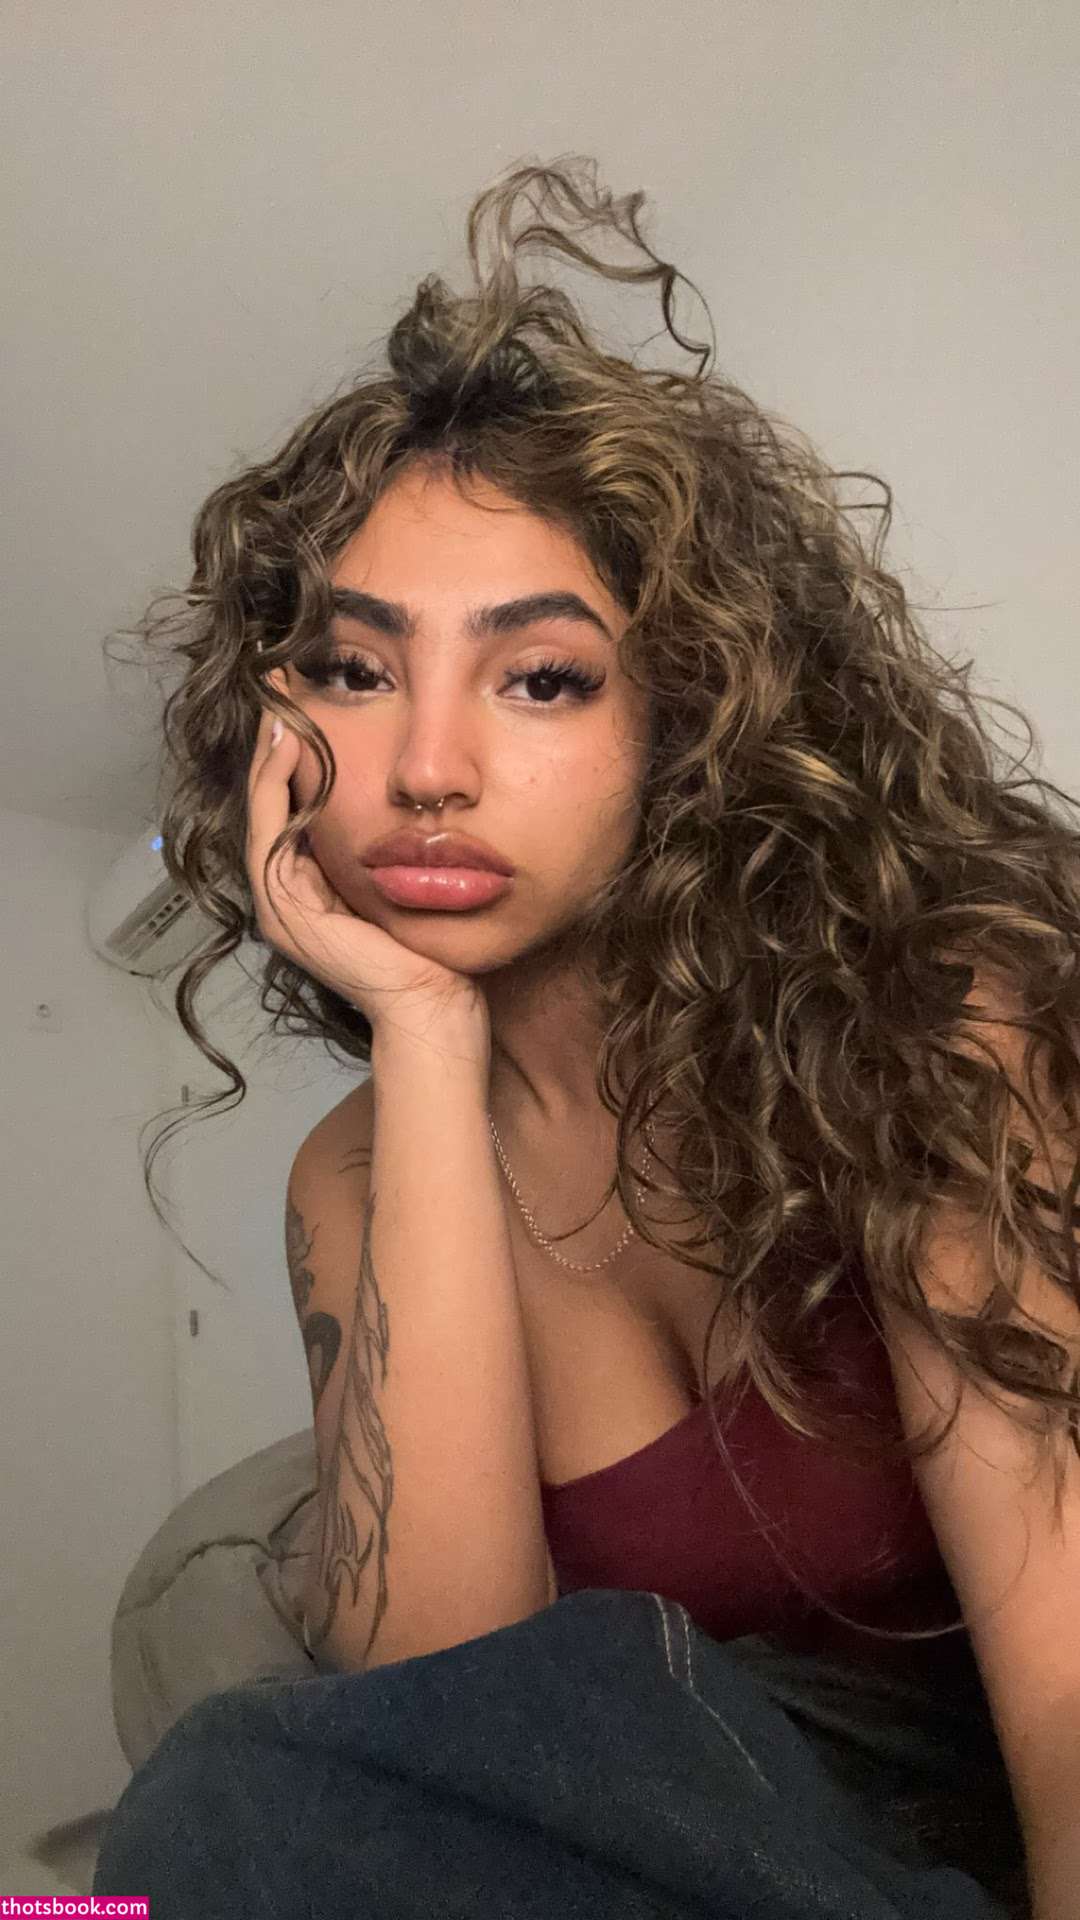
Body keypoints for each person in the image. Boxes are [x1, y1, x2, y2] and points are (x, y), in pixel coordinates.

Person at [93, 158, 1080, 1918]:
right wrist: (421, 1030)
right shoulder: (352, 1176)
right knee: (196, 1825)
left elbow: (1070, 1695)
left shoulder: (926, 1018)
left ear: (681, 722)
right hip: (698, 1819)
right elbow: (456, 1737)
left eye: (540, 677)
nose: (429, 768)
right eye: (356, 670)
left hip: (972, 1816)